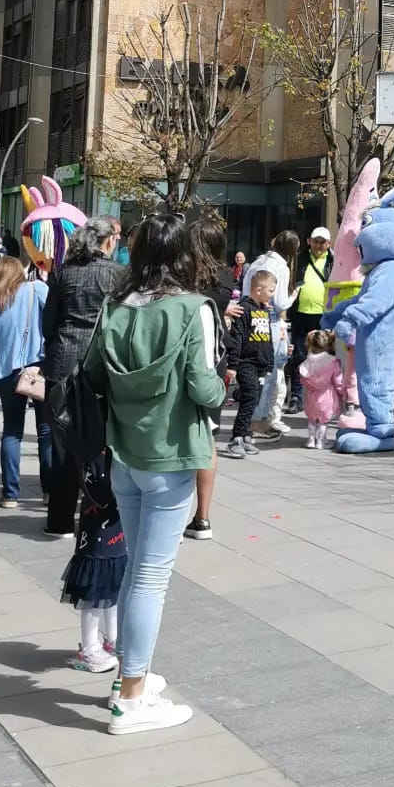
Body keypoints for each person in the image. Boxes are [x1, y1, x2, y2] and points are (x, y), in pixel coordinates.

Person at [83, 211, 225, 734]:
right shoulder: (194, 308)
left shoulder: (116, 306)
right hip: (171, 454)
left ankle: (131, 677)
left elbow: (93, 374)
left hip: (124, 453)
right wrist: (223, 388)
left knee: (134, 571)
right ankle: (132, 696)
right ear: (185, 254)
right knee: (150, 577)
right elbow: (204, 387)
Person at [43, 215, 123, 538]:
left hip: (62, 362)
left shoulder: (63, 273)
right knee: (101, 443)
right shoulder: (118, 275)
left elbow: (48, 323)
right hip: (99, 364)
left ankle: (59, 519)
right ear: (108, 240)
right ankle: (98, 512)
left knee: (63, 443)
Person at [0, 255, 53, 509]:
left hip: (8, 374)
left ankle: (10, 494)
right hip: (39, 368)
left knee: (11, 432)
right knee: (45, 430)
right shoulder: (37, 289)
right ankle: (49, 491)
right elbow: (54, 320)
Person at [183, 211, 232, 542]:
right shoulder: (225, 277)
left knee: (180, 431)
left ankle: (174, 511)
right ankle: (202, 516)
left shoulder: (186, 276)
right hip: (215, 357)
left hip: (188, 355)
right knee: (207, 438)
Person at [61, 450, 125, 674]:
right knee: (94, 588)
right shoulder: (96, 453)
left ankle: (112, 639)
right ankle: (89, 647)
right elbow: (98, 490)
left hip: (117, 523)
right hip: (98, 528)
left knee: (115, 584)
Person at [245, 231, 299, 435]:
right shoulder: (281, 266)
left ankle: (250, 418)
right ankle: (259, 421)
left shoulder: (257, 262)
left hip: (251, 316)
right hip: (271, 320)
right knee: (269, 373)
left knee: (254, 371)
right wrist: (294, 295)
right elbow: (280, 302)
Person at [224, 270, 277, 459]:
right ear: (259, 289)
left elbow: (267, 339)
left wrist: (269, 362)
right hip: (246, 362)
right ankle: (236, 438)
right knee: (249, 398)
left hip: (260, 363)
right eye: (270, 290)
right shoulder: (244, 309)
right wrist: (233, 364)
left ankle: (245, 435)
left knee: (254, 400)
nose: (272, 294)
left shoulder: (264, 310)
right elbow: (237, 337)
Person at [286, 226, 333, 404]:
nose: (318, 245)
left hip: (323, 315)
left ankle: (322, 397)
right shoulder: (299, 259)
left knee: (323, 357)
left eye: (322, 242)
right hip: (300, 313)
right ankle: (296, 396)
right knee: (299, 356)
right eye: (316, 241)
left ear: (329, 243)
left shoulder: (334, 260)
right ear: (309, 241)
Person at [299, 327, 343, 449]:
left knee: (313, 419)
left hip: (311, 395)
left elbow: (303, 379)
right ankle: (321, 441)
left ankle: (311, 439)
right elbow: (338, 380)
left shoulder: (307, 362)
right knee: (323, 420)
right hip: (326, 395)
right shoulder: (332, 362)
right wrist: (342, 391)